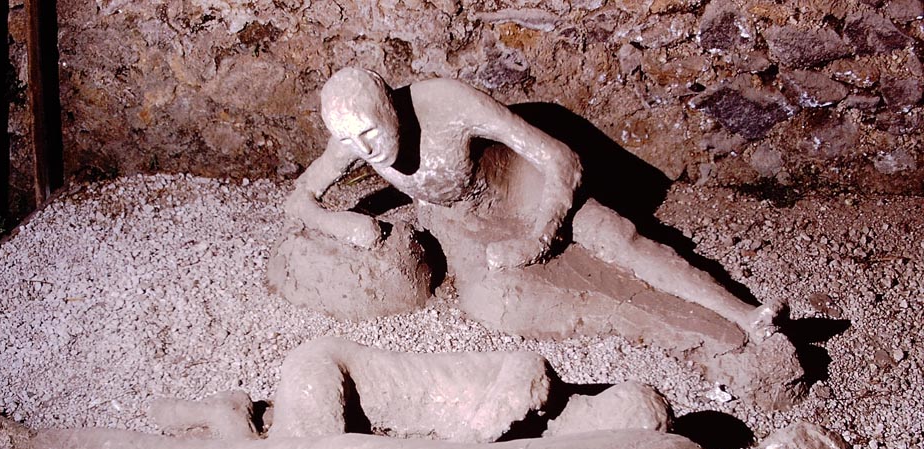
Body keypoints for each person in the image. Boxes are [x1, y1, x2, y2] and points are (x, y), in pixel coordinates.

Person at [285, 67, 781, 341]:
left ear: (390, 107)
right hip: (464, 218)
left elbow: (561, 158)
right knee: (503, 302)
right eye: (350, 140)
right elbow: (300, 199)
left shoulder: (449, 103)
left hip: (518, 187)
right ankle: (678, 330)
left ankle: (743, 314)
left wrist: (540, 235)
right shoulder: (351, 139)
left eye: (370, 131)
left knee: (618, 238)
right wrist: (341, 225)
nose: (366, 150)